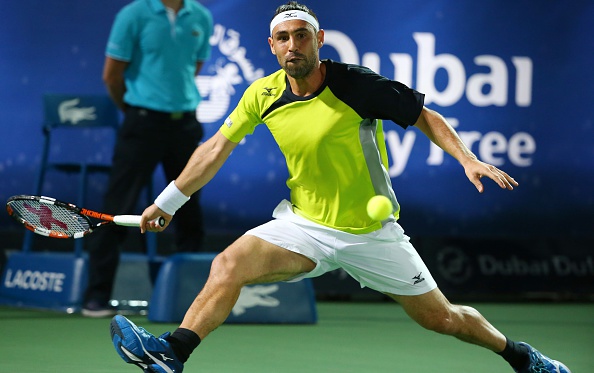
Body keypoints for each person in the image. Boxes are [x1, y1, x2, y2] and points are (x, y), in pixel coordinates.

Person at [108, 2, 571, 372]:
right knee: (229, 263)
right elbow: (213, 150)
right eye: (284, 37)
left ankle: (520, 355)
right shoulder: (262, 94)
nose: (294, 45)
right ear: (271, 46)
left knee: (443, 318)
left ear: (318, 39)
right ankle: (173, 353)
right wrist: (168, 202)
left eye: (302, 35)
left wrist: (467, 159)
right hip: (304, 224)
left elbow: (423, 115)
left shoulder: (355, 85)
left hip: (372, 233)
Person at [82, 0, 213, 317]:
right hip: (141, 123)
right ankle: (96, 296)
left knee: (189, 210)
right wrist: (136, 109)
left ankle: (187, 299)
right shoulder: (132, 15)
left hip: (185, 124)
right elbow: (112, 76)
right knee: (117, 208)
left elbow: (192, 66)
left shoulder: (201, 17)